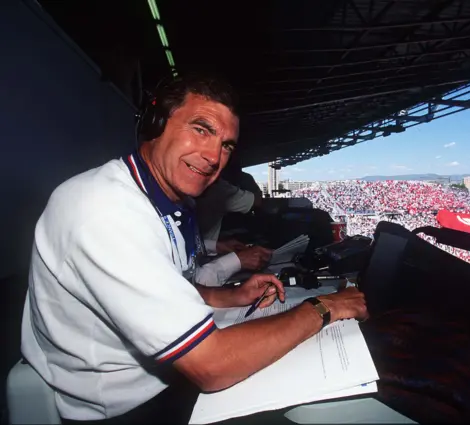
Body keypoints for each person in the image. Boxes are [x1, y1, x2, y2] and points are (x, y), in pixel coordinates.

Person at [21, 73, 368, 424]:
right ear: (156, 123)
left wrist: (227, 297)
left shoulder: (163, 199)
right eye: (201, 129)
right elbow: (212, 366)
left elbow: (168, 283)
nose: (213, 156)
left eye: (226, 145)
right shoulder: (103, 211)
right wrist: (324, 307)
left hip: (158, 383)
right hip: (125, 408)